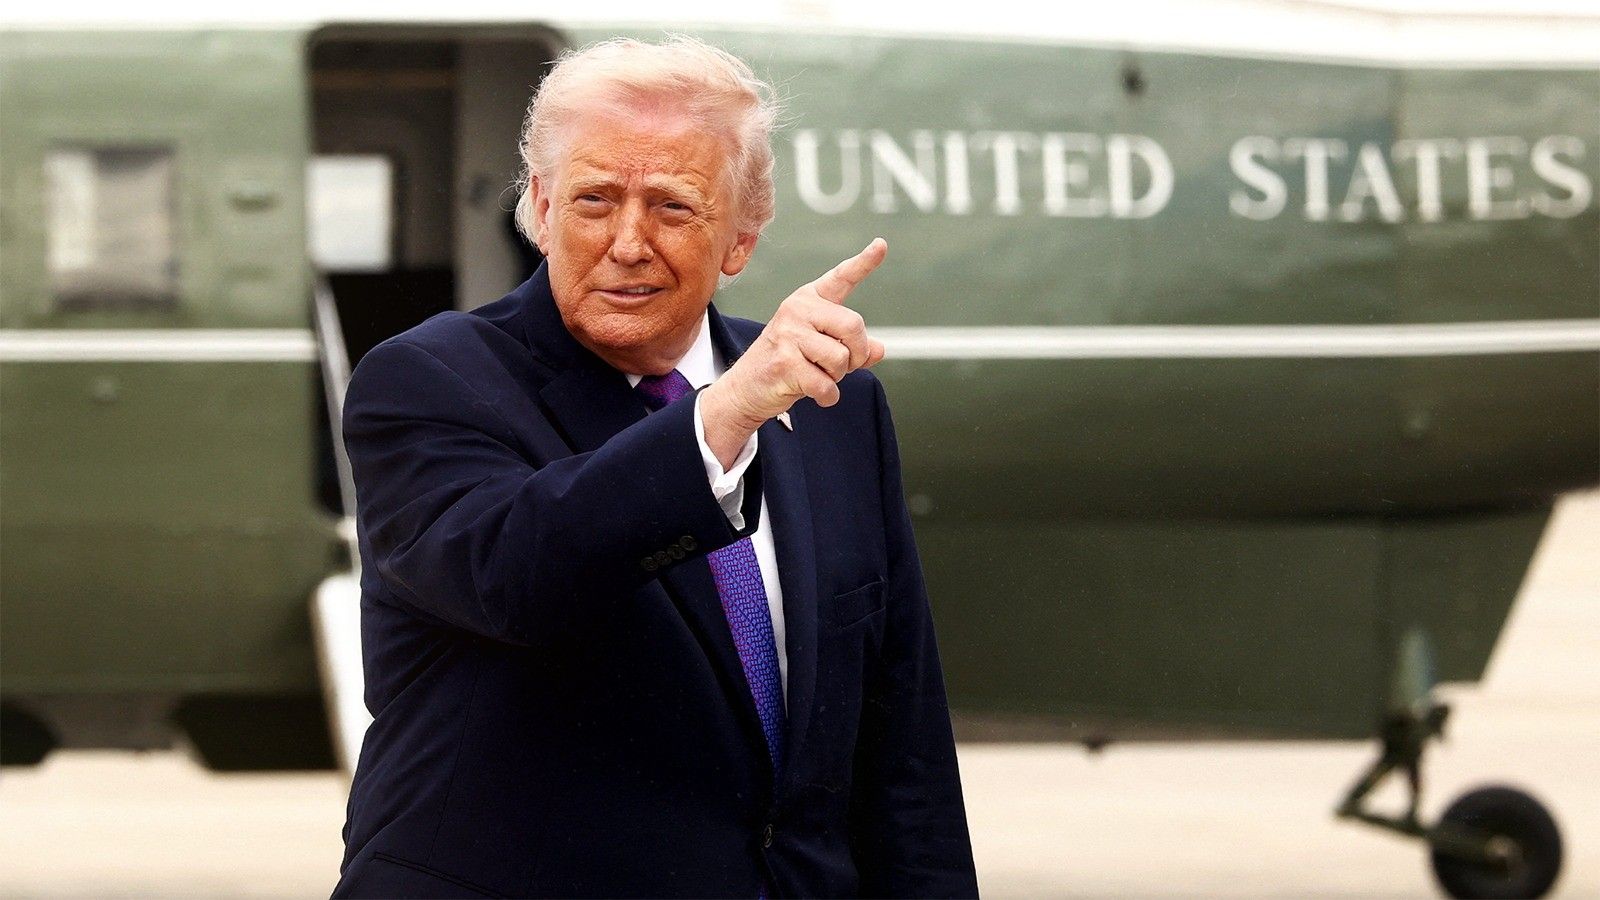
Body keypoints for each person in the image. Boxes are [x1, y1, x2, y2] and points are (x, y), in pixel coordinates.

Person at [331, 36, 977, 899]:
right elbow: (514, 571)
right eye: (594, 200)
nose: (628, 243)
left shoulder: (834, 403)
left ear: (741, 237)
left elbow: (903, 736)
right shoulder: (428, 379)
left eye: (672, 207)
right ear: (542, 209)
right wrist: (721, 419)